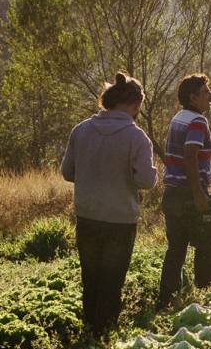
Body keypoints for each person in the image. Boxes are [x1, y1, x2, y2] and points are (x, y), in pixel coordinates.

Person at [60, 72, 157, 335]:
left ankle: (89, 328)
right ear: (136, 104)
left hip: (88, 215)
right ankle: (105, 334)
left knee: (90, 277)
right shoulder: (137, 138)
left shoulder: (81, 130)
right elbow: (146, 181)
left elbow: (68, 172)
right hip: (120, 219)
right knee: (113, 280)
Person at [157, 74, 211, 307]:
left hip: (172, 194)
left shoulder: (178, 119)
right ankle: (205, 296)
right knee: (208, 242)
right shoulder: (197, 122)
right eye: (206, 92)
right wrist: (199, 195)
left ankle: (166, 299)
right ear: (193, 98)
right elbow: (191, 158)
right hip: (188, 196)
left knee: (176, 249)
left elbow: (202, 158)